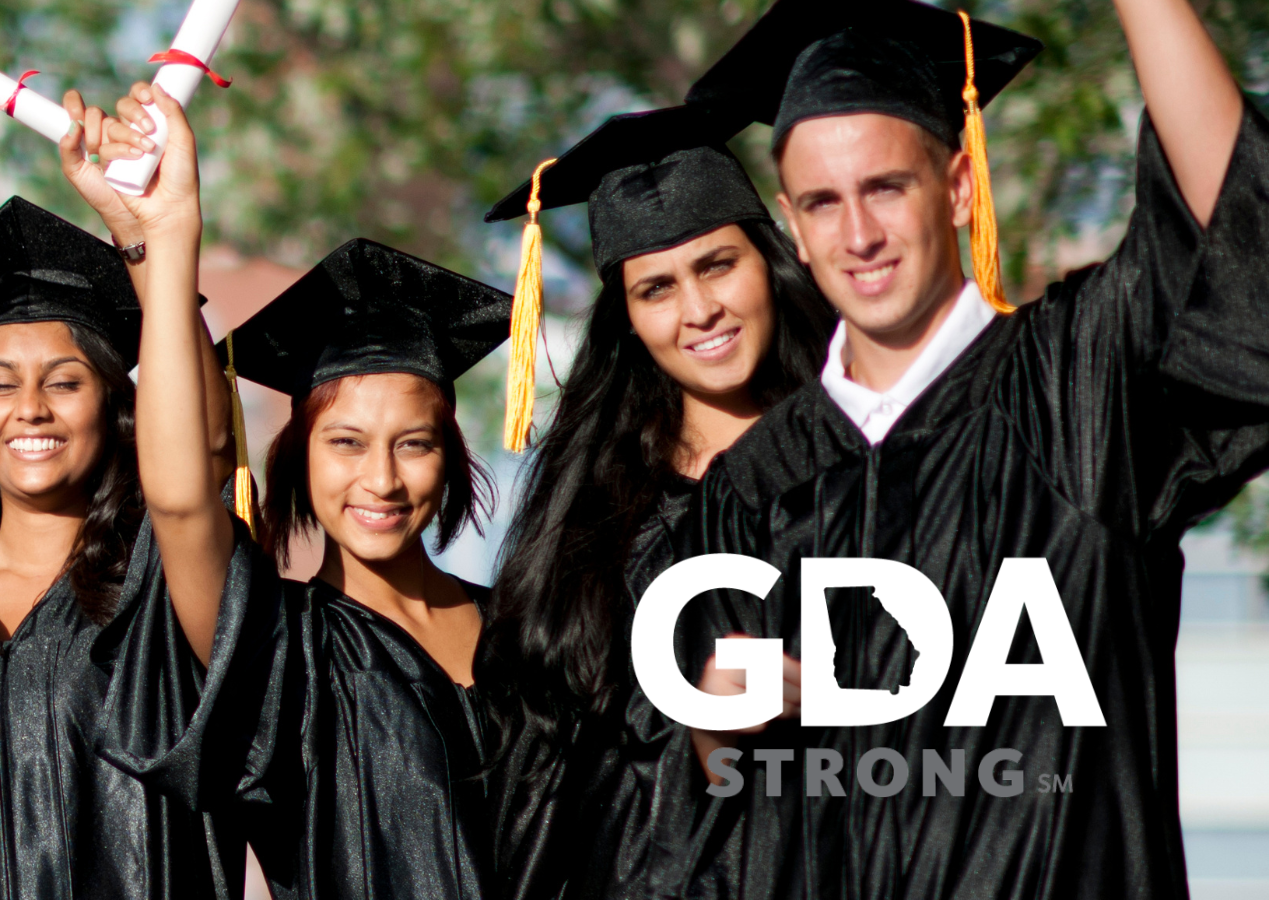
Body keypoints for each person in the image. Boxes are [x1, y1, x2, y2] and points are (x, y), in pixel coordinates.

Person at [655, 0, 1268, 895]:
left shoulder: (1076, 385)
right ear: (790, 223)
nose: (857, 235)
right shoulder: (749, 492)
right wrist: (715, 725)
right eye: (823, 203)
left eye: (885, 188)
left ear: (957, 187)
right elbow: (716, 806)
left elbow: (1235, 236)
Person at [468, 104, 837, 900]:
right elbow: (543, 767)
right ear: (628, 318)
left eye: (717, 265)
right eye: (656, 288)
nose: (697, 311)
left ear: (768, 263)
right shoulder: (589, 516)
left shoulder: (857, 464)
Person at [0, 191, 249, 898]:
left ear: (116, 412)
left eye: (65, 382)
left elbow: (202, 461)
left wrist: (147, 240)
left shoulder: (159, 592)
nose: (30, 406)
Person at [189, 234, 518, 898]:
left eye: (414, 444)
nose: (382, 479)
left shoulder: (527, 625)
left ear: (450, 455)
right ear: (300, 455)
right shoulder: (278, 647)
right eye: (346, 443)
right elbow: (183, 496)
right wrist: (157, 250)